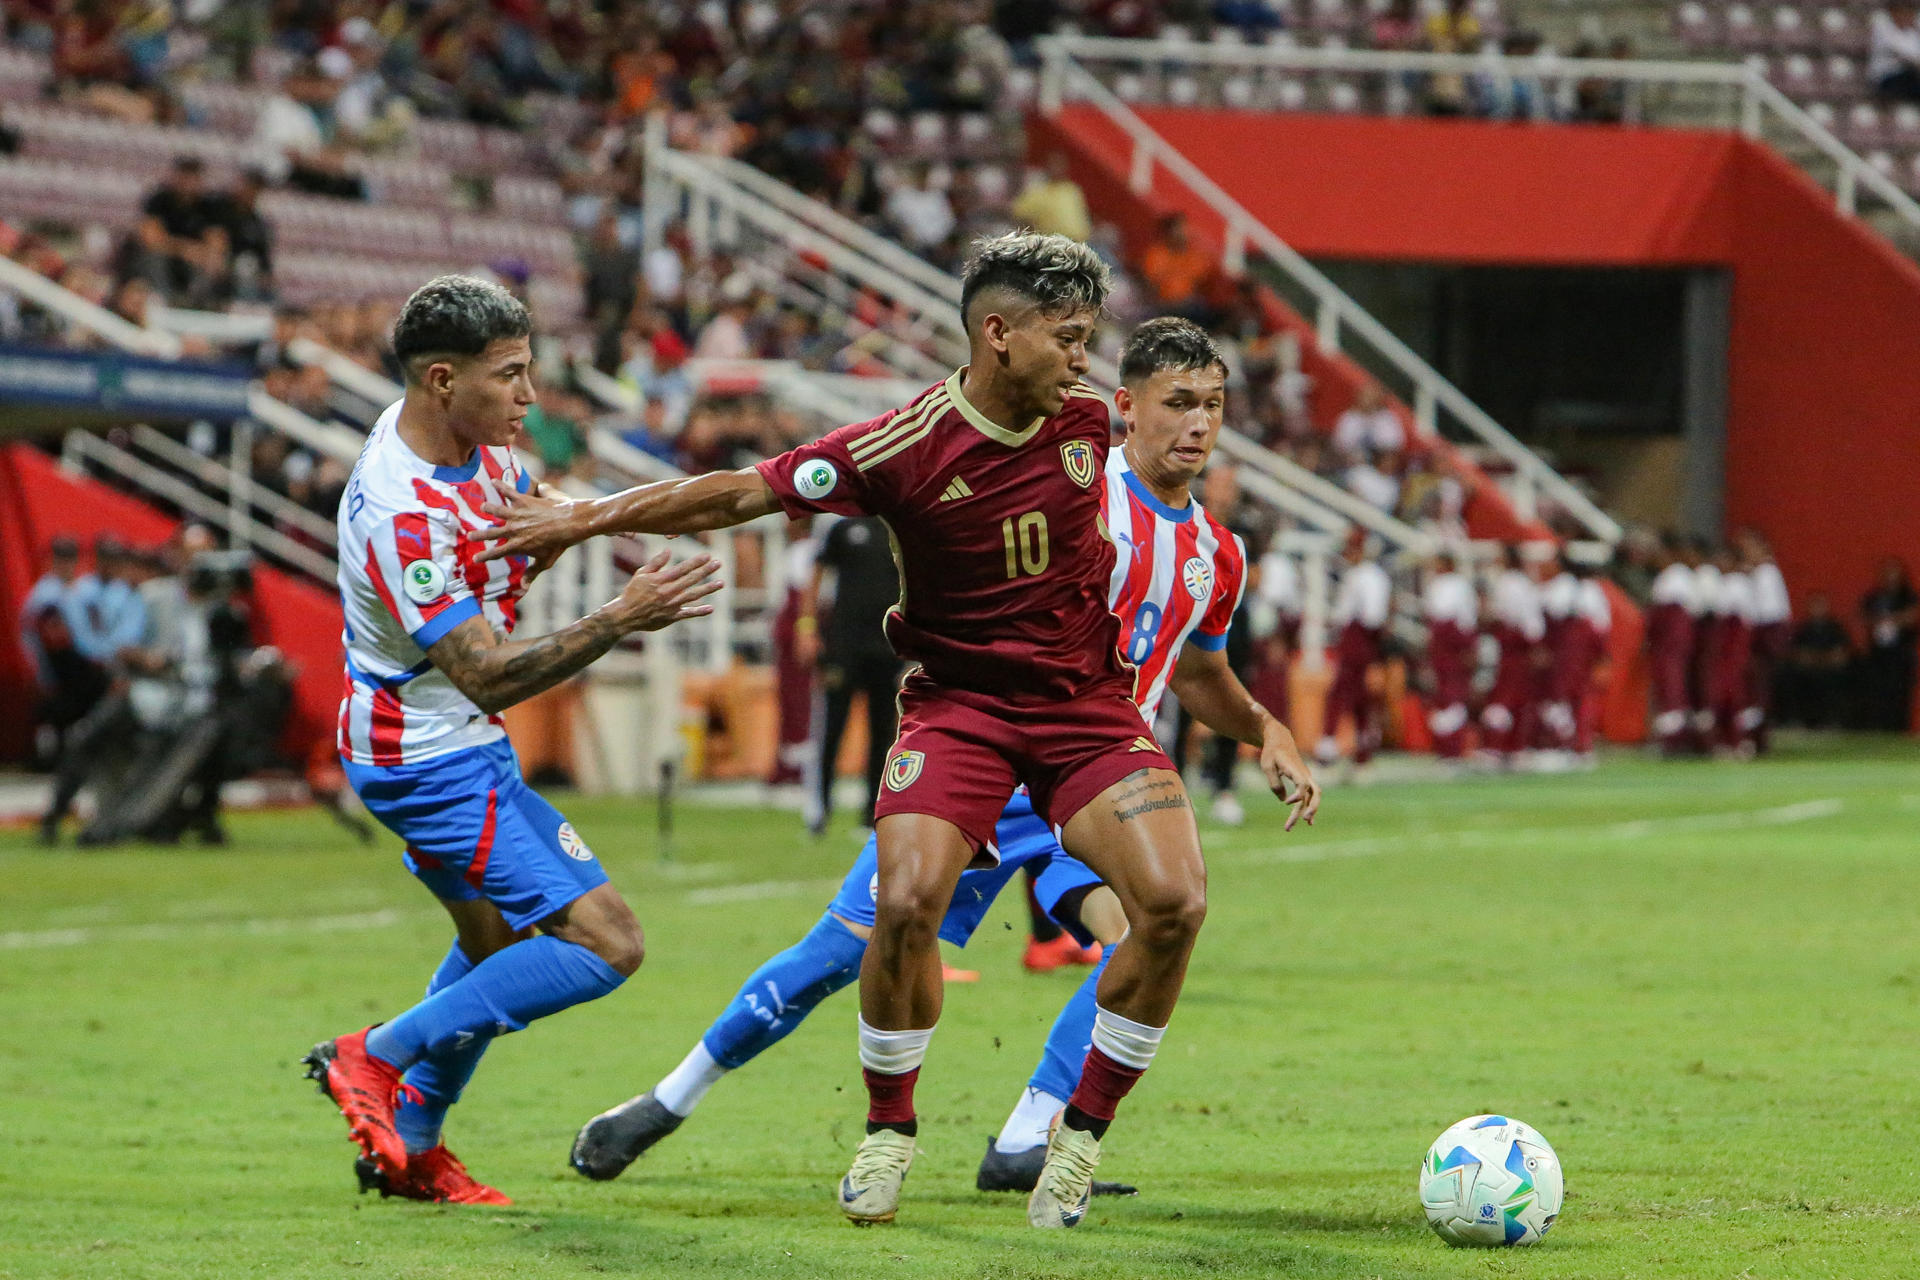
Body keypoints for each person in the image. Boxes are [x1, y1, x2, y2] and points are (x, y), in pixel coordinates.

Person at [475, 236, 1319, 1230]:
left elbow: (1204, 668)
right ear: (1010, 341)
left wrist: (1265, 727)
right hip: (968, 727)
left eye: (1213, 405)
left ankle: (1045, 1134)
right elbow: (745, 489)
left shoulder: (1203, 542)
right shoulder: (963, 446)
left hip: (1086, 738)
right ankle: (676, 1097)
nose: (1200, 424)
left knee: (1158, 917)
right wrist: (581, 519)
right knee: (869, 931)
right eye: (1177, 400)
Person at [301, 275, 721, 1207]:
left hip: (444, 740)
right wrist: (618, 618)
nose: (532, 396)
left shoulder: (468, 444)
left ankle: (408, 1147)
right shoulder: (399, 511)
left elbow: (524, 530)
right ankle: (372, 1056)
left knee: (491, 947)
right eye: (513, 375)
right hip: (427, 756)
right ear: (444, 379)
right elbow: (485, 672)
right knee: (606, 943)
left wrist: (576, 528)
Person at [801, 513, 906, 835]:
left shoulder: (898, 528)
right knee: (831, 729)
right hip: (843, 645)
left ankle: (871, 813)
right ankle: (818, 809)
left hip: (886, 646)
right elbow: (817, 573)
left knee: (882, 734)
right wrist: (806, 627)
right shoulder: (843, 527)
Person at [1314, 528, 1391, 773]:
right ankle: (1363, 748)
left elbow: (1371, 616)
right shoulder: (1364, 574)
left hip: (1358, 637)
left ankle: (1329, 746)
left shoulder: (1367, 575)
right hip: (1359, 637)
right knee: (1359, 697)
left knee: (1342, 692)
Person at [1480, 544, 1544, 766]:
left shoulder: (1509, 583)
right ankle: (1515, 747)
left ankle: (1495, 746)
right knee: (1518, 699)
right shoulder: (1524, 583)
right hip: (1519, 644)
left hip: (1513, 645)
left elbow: (1509, 616)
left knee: (1504, 697)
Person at [1421, 549, 1476, 761]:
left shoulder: (1453, 585)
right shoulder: (1449, 585)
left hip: (1452, 644)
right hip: (1447, 644)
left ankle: (1451, 746)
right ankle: (1447, 746)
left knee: (1452, 695)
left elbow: (1452, 618)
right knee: (1447, 695)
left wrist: (1466, 646)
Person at [1739, 530, 1790, 752]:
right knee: (1756, 688)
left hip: (1766, 635)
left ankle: (1755, 738)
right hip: (1764, 633)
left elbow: (1767, 615)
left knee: (1758, 688)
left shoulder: (1766, 574)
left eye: (1749, 548)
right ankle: (1755, 736)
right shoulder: (1759, 573)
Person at [1858, 555, 1918, 731]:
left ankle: (1899, 729)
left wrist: (1892, 619)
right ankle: (1878, 728)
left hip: (1902, 652)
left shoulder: (1909, 596)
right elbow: (1863, 617)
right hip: (1878, 652)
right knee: (1878, 691)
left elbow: (1913, 616)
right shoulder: (1873, 597)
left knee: (1900, 693)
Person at [1781, 592, 1852, 728]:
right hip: (1807, 671)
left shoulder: (1835, 628)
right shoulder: (1803, 628)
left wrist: (1821, 659)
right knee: (1790, 675)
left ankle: (1832, 720)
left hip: (1830, 670)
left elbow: (1841, 653)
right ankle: (1795, 719)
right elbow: (1798, 653)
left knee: (1835, 678)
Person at [1871, 0, 1920, 103]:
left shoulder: (1911, 34)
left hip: (1911, 75)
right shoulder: (1883, 29)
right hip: (1889, 75)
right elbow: (1900, 54)